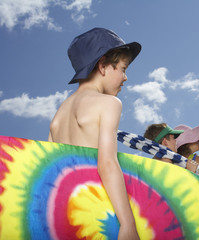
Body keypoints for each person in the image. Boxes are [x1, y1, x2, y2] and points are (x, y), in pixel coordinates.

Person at [48, 28, 141, 240]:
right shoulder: (109, 104)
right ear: (103, 65)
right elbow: (107, 164)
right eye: (123, 69)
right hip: (99, 213)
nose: (125, 78)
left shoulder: (59, 115)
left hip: (66, 217)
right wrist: (128, 224)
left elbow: (52, 169)